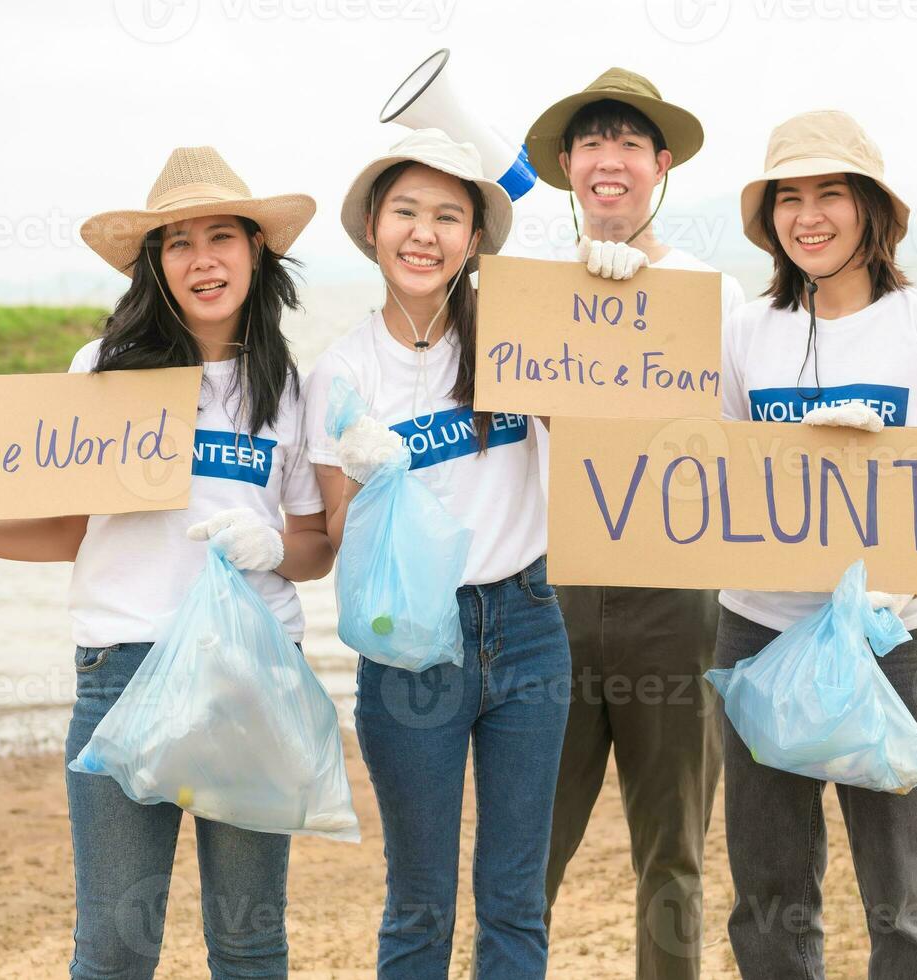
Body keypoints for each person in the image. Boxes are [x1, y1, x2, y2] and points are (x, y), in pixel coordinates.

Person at [0, 145, 334, 979]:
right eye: (177, 243)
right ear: (155, 267)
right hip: (120, 668)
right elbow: (66, 530)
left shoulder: (291, 388)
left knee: (249, 947)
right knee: (114, 949)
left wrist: (275, 546)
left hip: (253, 671)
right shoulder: (101, 374)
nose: (202, 259)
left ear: (256, 251)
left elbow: (315, 550)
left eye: (221, 236)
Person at [717, 110, 917, 979]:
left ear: (870, 208)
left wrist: (893, 584)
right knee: (768, 895)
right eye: (788, 198)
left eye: (829, 192)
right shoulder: (745, 330)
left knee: (901, 899)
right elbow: (712, 478)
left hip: (889, 639)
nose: (808, 216)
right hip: (760, 632)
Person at [301, 128, 571, 978]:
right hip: (409, 644)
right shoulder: (338, 371)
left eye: (448, 217)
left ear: (474, 239)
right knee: (419, 903)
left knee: (515, 902)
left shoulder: (512, 337)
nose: (424, 233)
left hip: (527, 625)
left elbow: (599, 424)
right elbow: (338, 541)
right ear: (373, 227)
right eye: (405, 212)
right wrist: (376, 486)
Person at [520, 67, 744, 979]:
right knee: (525, 850)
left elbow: (742, 440)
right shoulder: (528, 290)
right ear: (568, 165)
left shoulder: (710, 292)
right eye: (590, 142)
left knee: (674, 854)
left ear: (658, 164)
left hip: (678, 600)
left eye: (627, 143)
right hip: (551, 596)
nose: (608, 160)